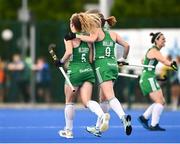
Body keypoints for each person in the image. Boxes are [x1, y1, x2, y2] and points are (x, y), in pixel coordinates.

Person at [65, 11, 132, 136]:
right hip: (113, 65)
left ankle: (123, 117)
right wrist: (123, 59)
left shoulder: (96, 30)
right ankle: (98, 128)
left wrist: (76, 36)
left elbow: (92, 39)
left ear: (96, 22)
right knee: (103, 98)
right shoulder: (113, 34)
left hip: (102, 66)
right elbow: (127, 46)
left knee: (110, 96)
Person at [54, 13, 110, 139]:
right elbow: (91, 57)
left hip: (74, 71)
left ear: (72, 24)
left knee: (69, 102)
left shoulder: (68, 37)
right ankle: (101, 114)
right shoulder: (87, 37)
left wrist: (60, 62)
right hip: (88, 71)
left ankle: (68, 131)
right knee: (86, 102)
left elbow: (68, 52)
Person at [138, 32, 178, 131]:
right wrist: (171, 64)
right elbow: (164, 61)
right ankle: (153, 124)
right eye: (162, 39)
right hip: (148, 78)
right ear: (156, 40)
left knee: (161, 101)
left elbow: (143, 60)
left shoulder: (153, 50)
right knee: (159, 101)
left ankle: (144, 118)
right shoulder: (154, 51)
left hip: (149, 77)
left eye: (165, 39)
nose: (165, 41)